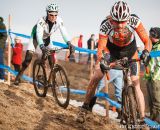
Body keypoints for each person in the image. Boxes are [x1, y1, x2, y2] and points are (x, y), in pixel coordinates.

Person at [76, 0, 152, 123]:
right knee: (96, 77)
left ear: (128, 18)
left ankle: (142, 120)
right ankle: (84, 108)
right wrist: (102, 60)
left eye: (123, 21)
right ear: (111, 18)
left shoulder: (135, 21)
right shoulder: (105, 25)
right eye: (116, 21)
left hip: (131, 52)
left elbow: (147, 40)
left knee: (136, 84)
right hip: (111, 53)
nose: (120, 25)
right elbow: (100, 48)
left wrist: (147, 52)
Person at [14, 2, 74, 85]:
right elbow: (39, 35)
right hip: (35, 37)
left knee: (52, 60)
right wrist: (42, 46)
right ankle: (19, 76)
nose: (54, 17)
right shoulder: (41, 21)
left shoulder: (59, 20)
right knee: (27, 60)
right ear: (47, 13)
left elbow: (64, 32)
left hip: (47, 38)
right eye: (51, 15)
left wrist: (69, 43)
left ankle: (51, 79)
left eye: (55, 15)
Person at [145, 27, 160, 123]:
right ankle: (152, 121)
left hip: (156, 78)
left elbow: (159, 65)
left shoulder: (158, 47)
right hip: (149, 77)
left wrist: (154, 78)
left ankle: (156, 123)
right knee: (150, 102)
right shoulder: (151, 46)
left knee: (157, 103)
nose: (149, 37)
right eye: (149, 34)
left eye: (151, 35)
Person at [0, 16, 7, 82]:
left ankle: (2, 77)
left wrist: (0, 44)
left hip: (0, 47)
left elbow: (5, 36)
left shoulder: (1, 24)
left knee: (0, 61)